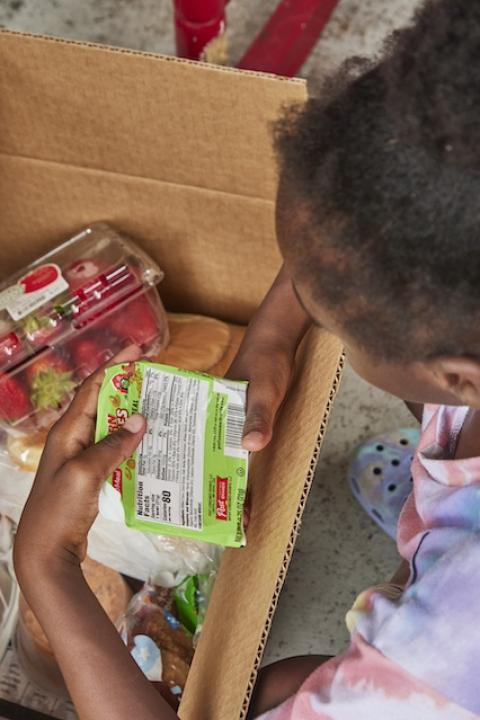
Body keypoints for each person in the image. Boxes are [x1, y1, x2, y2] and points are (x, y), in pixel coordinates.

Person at [13, 0, 480, 717]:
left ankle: (433, 544)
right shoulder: (458, 324)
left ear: (459, 378)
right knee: (284, 682)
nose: (301, 299)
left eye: (330, 314)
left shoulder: (444, 647)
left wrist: (47, 567)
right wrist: (268, 337)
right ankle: (438, 515)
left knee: (255, 698)